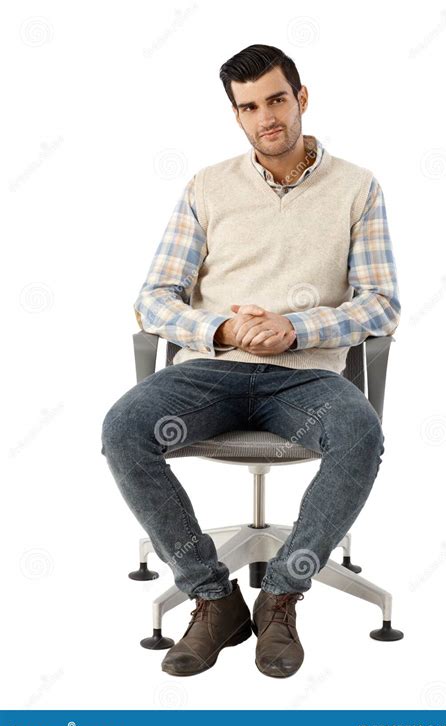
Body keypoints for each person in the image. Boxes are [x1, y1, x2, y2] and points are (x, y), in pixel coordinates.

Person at [101, 44, 401, 678]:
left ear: (301, 98)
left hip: (306, 377)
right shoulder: (207, 187)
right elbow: (153, 299)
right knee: (123, 428)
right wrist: (224, 325)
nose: (266, 117)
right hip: (209, 370)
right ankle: (213, 600)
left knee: (360, 432)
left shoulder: (356, 186)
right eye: (249, 107)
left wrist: (295, 327)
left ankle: (282, 595)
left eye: (276, 100)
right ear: (236, 115)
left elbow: (380, 305)